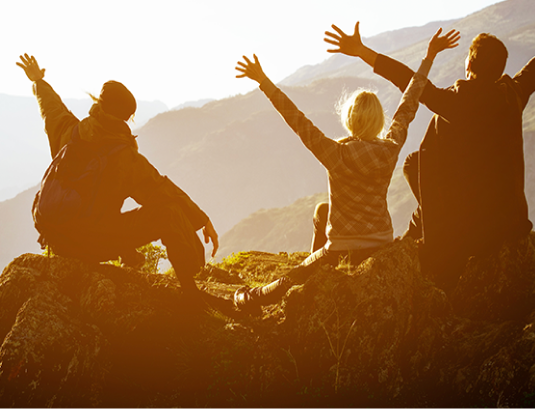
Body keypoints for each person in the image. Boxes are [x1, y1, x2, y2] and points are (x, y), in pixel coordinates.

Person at [233, 28, 459, 313]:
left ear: (349, 119)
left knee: (293, 278)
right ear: (379, 119)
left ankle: (249, 298)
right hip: (381, 246)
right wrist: (429, 56)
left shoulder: (334, 153)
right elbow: (409, 102)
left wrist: (263, 81)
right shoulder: (390, 149)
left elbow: (296, 119)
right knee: (322, 211)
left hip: (341, 250)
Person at [324, 22, 535, 288]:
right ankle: (421, 226)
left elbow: (410, 82)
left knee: (415, 161)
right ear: (500, 69)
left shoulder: (456, 101)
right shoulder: (513, 93)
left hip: (472, 230)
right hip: (511, 221)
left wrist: (363, 51)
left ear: (469, 63)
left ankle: (426, 231)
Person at [16, 54, 219, 294]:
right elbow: (163, 191)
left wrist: (38, 80)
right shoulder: (125, 158)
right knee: (170, 213)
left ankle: (131, 257)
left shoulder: (72, 133)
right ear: (126, 117)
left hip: (57, 240)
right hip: (89, 243)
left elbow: (52, 109)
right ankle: (193, 290)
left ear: (99, 105)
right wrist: (202, 220)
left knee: (104, 210)